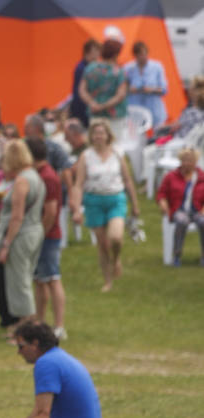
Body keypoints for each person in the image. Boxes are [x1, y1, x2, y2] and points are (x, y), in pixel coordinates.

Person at [0, 320, 102, 418]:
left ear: (35, 344)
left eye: (21, 346)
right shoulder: (59, 357)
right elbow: (44, 407)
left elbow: (42, 413)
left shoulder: (46, 363)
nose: (19, 352)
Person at [71, 119, 139, 292]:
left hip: (115, 198)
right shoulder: (86, 156)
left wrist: (135, 204)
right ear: (91, 136)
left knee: (116, 237)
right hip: (94, 200)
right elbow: (78, 184)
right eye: (95, 133)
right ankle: (107, 280)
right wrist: (77, 209)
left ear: (108, 135)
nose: (98, 136)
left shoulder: (117, 154)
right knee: (102, 244)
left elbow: (127, 180)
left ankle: (116, 259)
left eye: (101, 133)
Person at [0, 140, 45, 325]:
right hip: (34, 230)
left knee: (19, 281)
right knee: (25, 277)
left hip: (22, 234)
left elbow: (16, 216)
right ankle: (27, 322)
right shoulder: (35, 176)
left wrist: (6, 244)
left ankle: (25, 325)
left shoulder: (22, 181)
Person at [28, 138, 67, 339]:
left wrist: (39, 234)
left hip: (48, 236)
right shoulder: (41, 174)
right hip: (43, 235)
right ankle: (39, 322)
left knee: (52, 278)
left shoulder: (48, 177)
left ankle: (59, 325)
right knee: (39, 280)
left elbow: (51, 211)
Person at [156, 146, 204, 266]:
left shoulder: (201, 177)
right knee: (181, 221)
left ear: (195, 162)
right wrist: (163, 204)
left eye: (190, 160)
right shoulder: (171, 176)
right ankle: (177, 255)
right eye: (184, 160)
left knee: (203, 222)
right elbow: (161, 193)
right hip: (179, 210)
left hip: (197, 210)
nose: (187, 163)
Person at [79, 27, 129, 136]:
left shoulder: (91, 68)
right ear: (116, 54)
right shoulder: (119, 71)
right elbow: (120, 95)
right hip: (115, 116)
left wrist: (92, 103)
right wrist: (104, 106)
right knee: (115, 144)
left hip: (95, 114)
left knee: (96, 143)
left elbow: (82, 90)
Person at [123, 41, 169, 129]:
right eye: (139, 55)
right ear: (135, 56)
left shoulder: (157, 67)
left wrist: (152, 90)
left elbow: (164, 89)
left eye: (144, 54)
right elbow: (123, 88)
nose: (142, 57)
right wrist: (130, 89)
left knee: (158, 135)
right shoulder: (128, 68)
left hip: (154, 109)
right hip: (136, 110)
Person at [67, 39, 100, 127]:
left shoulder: (94, 67)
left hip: (89, 106)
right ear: (87, 52)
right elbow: (80, 91)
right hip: (81, 108)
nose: (97, 55)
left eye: (98, 51)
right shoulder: (82, 68)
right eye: (95, 51)